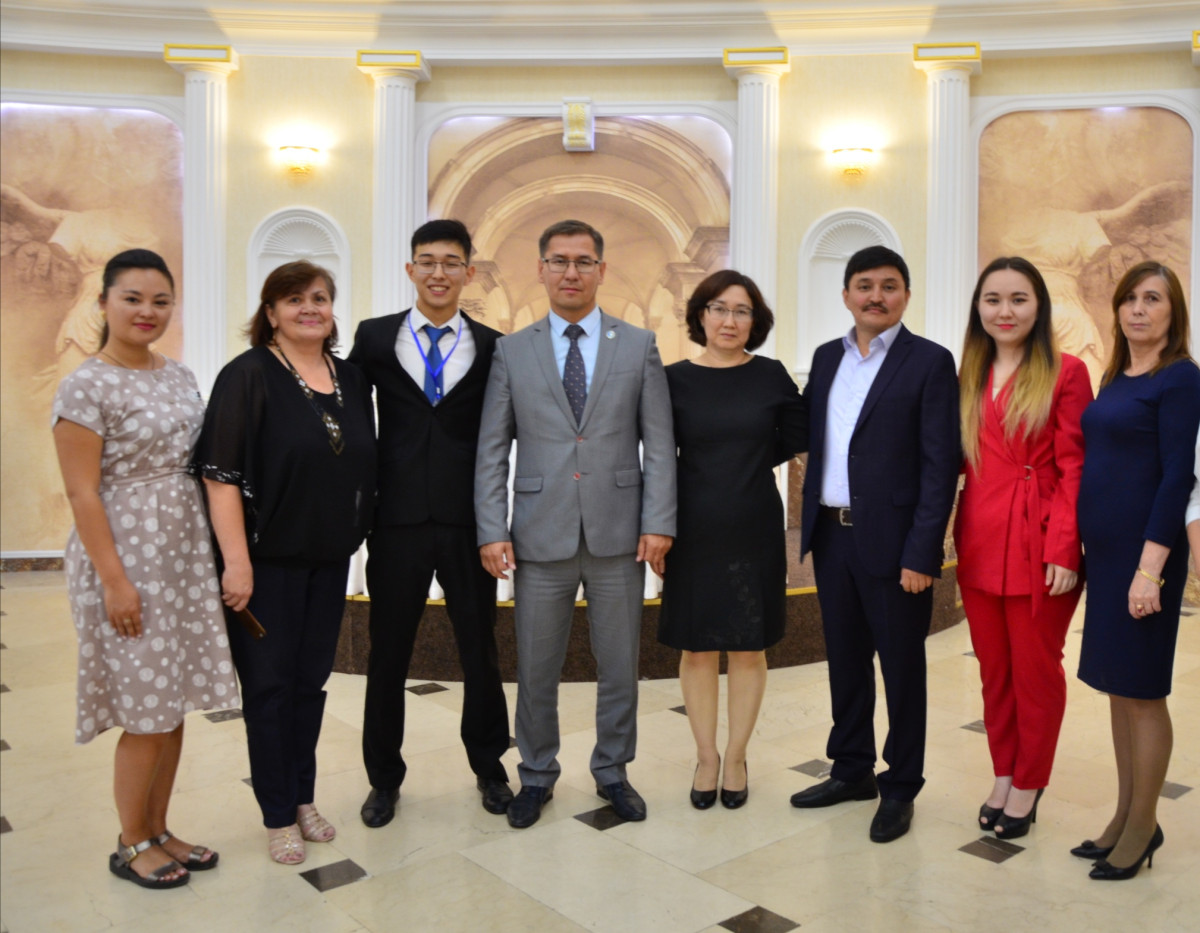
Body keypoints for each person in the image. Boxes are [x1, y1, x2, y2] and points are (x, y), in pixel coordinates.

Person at [474, 219, 676, 829]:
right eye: (559, 261)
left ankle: (612, 770)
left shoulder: (638, 345)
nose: (571, 272)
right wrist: (492, 528)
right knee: (537, 669)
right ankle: (536, 773)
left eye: (583, 261)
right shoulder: (512, 350)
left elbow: (659, 444)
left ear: (601, 271)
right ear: (541, 269)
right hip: (540, 534)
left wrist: (658, 521)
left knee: (619, 667)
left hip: (619, 535)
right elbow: (492, 448)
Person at [52, 249, 238, 889]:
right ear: (104, 301)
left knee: (171, 702)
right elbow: (82, 492)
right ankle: (131, 841)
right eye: (132, 298)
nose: (147, 311)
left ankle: (159, 829)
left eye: (160, 301)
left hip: (180, 555)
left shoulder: (178, 375)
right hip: (125, 557)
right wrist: (115, 582)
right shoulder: (85, 385)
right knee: (145, 709)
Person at [196, 261, 376, 864]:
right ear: (270, 313)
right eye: (294, 299)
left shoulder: (351, 378)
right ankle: (277, 814)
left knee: (308, 685)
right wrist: (236, 563)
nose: (309, 308)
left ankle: (303, 797)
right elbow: (220, 476)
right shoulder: (247, 375)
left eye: (320, 298)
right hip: (265, 565)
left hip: (328, 560)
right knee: (269, 689)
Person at [788, 246, 960, 843]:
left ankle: (902, 785)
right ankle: (851, 768)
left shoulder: (930, 362)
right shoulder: (825, 358)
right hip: (832, 538)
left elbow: (940, 467)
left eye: (889, 286)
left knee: (902, 669)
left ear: (906, 296)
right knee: (845, 661)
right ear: (846, 296)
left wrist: (923, 552)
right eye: (864, 285)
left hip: (896, 545)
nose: (876, 296)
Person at [349, 220, 512, 828]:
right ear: (410, 269)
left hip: (470, 522)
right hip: (395, 522)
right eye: (427, 261)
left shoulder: (495, 346)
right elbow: (350, 418)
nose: (438, 272)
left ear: (468, 271)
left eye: (450, 262)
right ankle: (383, 779)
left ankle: (490, 768)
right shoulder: (373, 337)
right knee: (387, 654)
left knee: (481, 652)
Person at [953, 257, 1092, 840]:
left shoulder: (1067, 372)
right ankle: (1004, 772)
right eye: (993, 299)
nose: (1004, 311)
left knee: (1035, 672)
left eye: (1018, 299)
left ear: (1039, 307)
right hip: (980, 540)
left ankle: (1030, 781)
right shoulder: (968, 373)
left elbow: (1076, 467)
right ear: (978, 308)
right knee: (994, 672)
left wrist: (1064, 548)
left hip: (1041, 541)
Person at [657, 270, 806, 810]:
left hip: (753, 526)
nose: (729, 320)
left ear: (755, 321)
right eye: (719, 308)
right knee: (697, 648)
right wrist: (656, 527)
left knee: (748, 646)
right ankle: (706, 757)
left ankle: (737, 756)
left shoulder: (770, 375)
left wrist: (744, 463)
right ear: (700, 315)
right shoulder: (672, 379)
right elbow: (657, 457)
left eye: (742, 311)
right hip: (691, 529)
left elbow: (798, 435)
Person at [1074, 262, 1200, 880]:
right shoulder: (1115, 376)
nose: (1139, 309)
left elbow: (1178, 475)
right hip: (1106, 557)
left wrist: (1150, 569)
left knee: (1144, 692)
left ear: (1174, 312)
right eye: (1130, 299)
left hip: (1144, 558)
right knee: (1119, 688)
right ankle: (1125, 815)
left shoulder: (1180, 377)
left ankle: (1144, 824)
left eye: (1153, 299)